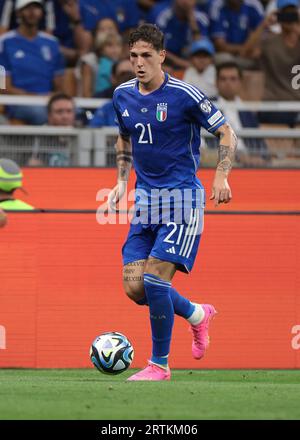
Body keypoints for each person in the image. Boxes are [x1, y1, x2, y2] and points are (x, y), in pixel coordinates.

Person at [109, 24, 237, 381]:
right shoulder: (122, 95)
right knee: (135, 287)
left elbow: (226, 131)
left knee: (153, 280)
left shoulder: (184, 94)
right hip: (146, 202)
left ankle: (159, 365)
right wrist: (121, 180)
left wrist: (221, 175)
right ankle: (197, 314)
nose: (139, 63)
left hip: (182, 199)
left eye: (147, 56)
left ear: (162, 56)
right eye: (133, 55)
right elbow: (124, 138)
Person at [0, 0, 65, 125]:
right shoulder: (4, 42)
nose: (32, 12)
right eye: (27, 8)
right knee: (40, 113)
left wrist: (51, 98)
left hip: (48, 100)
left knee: (76, 113)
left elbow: (60, 86)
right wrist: (34, 96)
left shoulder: (52, 43)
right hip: (18, 102)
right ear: (18, 12)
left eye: (36, 8)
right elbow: (3, 86)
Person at [243, 0, 300, 126]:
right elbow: (245, 53)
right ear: (278, 15)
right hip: (274, 104)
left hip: (298, 103)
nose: (289, 18)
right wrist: (263, 25)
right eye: (285, 14)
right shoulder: (269, 41)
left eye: (292, 14)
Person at [214, 61, 270, 165]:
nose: (228, 83)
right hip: (220, 164)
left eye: (233, 79)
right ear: (216, 82)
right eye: (223, 79)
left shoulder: (247, 112)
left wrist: (260, 159)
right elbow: (205, 146)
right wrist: (237, 157)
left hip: (249, 166)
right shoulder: (209, 108)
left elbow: (261, 147)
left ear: (240, 82)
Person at [147, 0, 209, 69]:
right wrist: (179, 62)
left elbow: (201, 48)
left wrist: (192, 20)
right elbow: (153, 47)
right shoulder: (160, 14)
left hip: (190, 61)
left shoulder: (201, 18)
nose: (186, 1)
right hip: (164, 61)